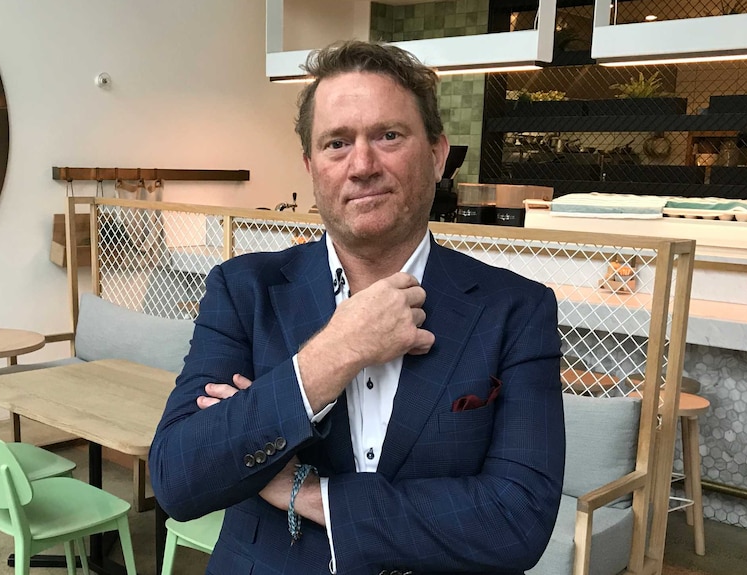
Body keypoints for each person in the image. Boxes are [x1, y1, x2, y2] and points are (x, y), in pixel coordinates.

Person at [150, 40, 565, 575]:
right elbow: (179, 479)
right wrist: (334, 354)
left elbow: (518, 521)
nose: (362, 164)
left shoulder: (515, 310)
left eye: (388, 136)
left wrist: (310, 494)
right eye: (337, 143)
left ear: (438, 154)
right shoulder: (244, 290)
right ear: (311, 166)